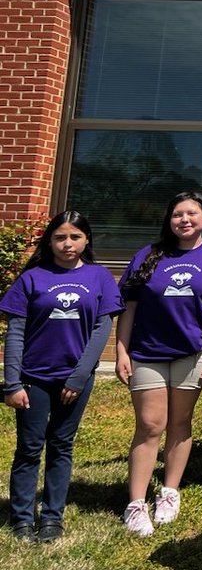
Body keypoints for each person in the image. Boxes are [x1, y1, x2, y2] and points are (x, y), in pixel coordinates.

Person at [116, 191, 202, 537]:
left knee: (181, 423)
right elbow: (130, 306)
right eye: (177, 214)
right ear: (168, 220)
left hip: (193, 354)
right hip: (147, 352)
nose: (184, 220)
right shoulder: (149, 255)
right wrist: (121, 350)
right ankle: (136, 503)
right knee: (150, 425)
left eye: (192, 214)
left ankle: (169, 491)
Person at [2, 211, 122, 544]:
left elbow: (102, 329)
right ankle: (22, 518)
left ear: (86, 240)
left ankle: (52, 519)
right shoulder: (32, 279)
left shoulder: (100, 277)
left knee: (61, 446)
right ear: (49, 241)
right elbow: (15, 332)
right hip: (33, 378)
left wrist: (79, 377)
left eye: (74, 237)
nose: (67, 244)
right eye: (59, 237)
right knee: (28, 449)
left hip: (75, 380)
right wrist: (11, 383)